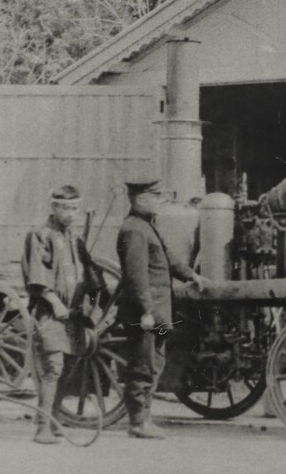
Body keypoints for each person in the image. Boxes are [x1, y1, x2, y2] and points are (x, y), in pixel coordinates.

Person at [116, 179, 207, 439]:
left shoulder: (147, 226)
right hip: (144, 313)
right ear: (140, 199)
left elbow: (168, 258)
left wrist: (191, 275)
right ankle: (137, 422)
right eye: (155, 196)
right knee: (142, 366)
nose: (159, 201)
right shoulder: (133, 230)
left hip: (157, 311)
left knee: (155, 364)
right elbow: (136, 277)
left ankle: (145, 418)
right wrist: (145, 310)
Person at [21, 185, 102, 444]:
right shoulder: (40, 235)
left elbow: (89, 271)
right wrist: (54, 301)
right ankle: (42, 426)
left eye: (75, 208)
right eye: (65, 208)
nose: (71, 213)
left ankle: (54, 419)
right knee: (52, 369)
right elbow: (37, 274)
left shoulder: (74, 238)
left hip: (74, 314)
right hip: (51, 313)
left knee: (68, 368)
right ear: (53, 207)